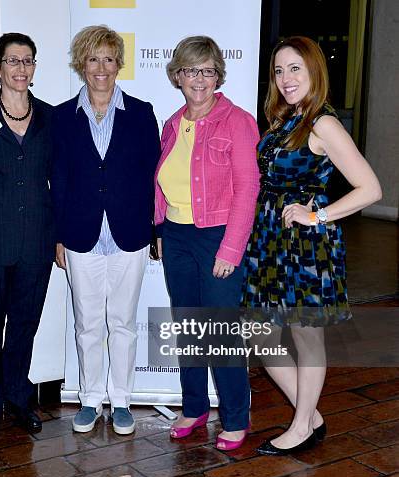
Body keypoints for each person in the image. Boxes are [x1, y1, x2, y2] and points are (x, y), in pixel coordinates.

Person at [242, 36, 382, 455]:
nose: (286, 78)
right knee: (257, 335)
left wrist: (317, 215)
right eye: (279, 71)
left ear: (315, 71)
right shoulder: (288, 118)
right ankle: (312, 414)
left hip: (304, 245)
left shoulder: (323, 122)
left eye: (295, 68)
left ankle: (302, 425)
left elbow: (371, 188)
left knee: (306, 338)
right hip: (269, 241)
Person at [52, 25, 160, 435]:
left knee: (123, 322)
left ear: (119, 64)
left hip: (128, 233)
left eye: (109, 59)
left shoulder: (142, 112)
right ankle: (90, 399)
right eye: (93, 59)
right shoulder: (62, 117)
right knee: (87, 323)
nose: (101, 67)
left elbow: (152, 176)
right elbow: (57, 179)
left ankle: (122, 401)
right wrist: (58, 236)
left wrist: (155, 229)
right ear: (83, 64)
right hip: (80, 234)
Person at [154, 36, 259, 450]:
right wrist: (159, 230)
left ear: (218, 75)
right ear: (177, 74)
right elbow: (162, 183)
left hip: (217, 234)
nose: (199, 79)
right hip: (176, 236)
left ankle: (236, 416)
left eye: (208, 71)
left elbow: (248, 188)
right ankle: (194, 407)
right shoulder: (172, 123)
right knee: (189, 327)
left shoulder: (236, 120)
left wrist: (230, 249)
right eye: (191, 70)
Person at [0, 33, 54, 435]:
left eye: (28, 61)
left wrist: (60, 237)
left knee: (25, 324)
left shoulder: (52, 118)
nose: (21, 69)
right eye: (13, 61)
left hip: (37, 239)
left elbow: (63, 183)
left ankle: (18, 397)